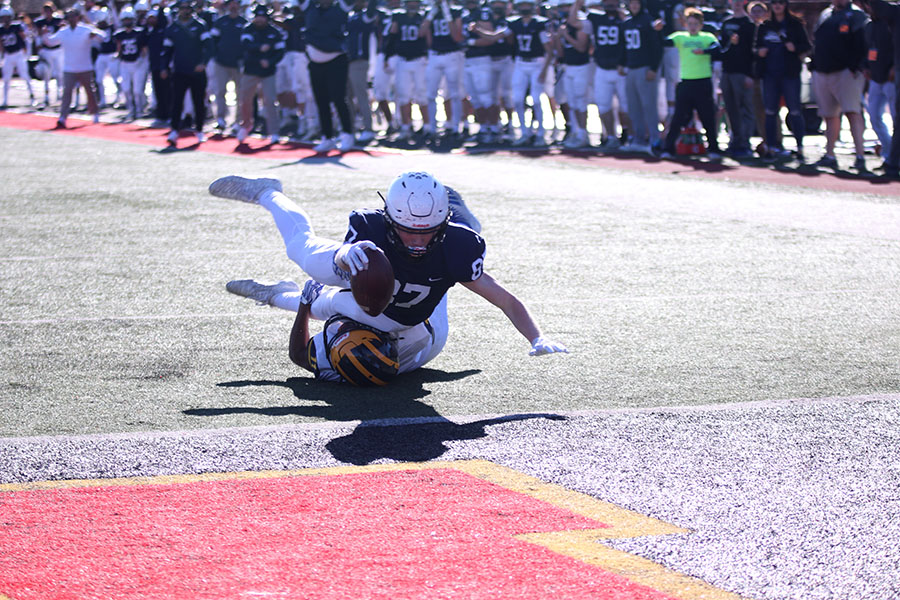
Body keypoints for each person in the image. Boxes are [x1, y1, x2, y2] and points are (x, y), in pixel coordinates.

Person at [207, 173, 568, 386]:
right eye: (409, 230)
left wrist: (537, 336)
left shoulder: (453, 246)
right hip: (369, 273)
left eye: (427, 232)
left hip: (393, 314)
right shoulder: (375, 232)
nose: (417, 240)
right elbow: (505, 299)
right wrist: (346, 255)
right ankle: (268, 192)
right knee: (302, 253)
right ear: (389, 218)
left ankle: (279, 295)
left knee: (328, 302)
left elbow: (503, 298)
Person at [810, 0, 869, 171]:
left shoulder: (857, 15)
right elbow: (817, 41)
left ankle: (860, 156)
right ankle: (830, 155)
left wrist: (857, 66)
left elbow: (863, 44)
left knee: (853, 112)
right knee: (829, 116)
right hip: (823, 71)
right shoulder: (826, 14)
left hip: (847, 72)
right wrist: (814, 65)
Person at [299, 0, 359, 152]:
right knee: (321, 101)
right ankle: (327, 136)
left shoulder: (341, 7)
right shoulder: (310, 6)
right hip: (314, 61)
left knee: (339, 98)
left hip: (336, 59)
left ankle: (347, 134)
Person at [661, 8, 722, 157]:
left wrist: (704, 51)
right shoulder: (680, 37)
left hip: (703, 82)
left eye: (695, 23)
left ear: (701, 24)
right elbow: (663, 41)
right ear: (685, 24)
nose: (692, 26)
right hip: (686, 83)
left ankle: (713, 148)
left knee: (707, 117)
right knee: (678, 117)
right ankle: (668, 149)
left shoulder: (706, 37)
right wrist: (657, 30)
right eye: (690, 23)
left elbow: (717, 48)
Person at [753, 0, 810, 161]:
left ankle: (799, 148)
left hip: (790, 74)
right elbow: (755, 49)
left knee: (795, 111)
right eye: (775, 3)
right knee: (770, 111)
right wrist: (760, 52)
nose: (777, 6)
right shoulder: (765, 26)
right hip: (770, 75)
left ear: (785, 5)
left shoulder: (795, 24)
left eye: (781, 3)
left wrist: (795, 48)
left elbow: (806, 46)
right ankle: (771, 147)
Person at [573, 0, 630, 150]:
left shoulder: (625, 19)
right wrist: (577, 5)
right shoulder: (595, 18)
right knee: (603, 105)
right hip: (602, 68)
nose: (610, 3)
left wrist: (624, 62)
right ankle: (611, 137)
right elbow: (573, 22)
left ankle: (627, 135)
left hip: (621, 69)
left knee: (626, 106)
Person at [160, 0, 215, 146]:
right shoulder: (172, 28)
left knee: (198, 102)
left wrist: (203, 63)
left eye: (188, 8)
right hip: (179, 70)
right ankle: (174, 130)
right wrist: (164, 67)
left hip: (196, 71)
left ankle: (199, 130)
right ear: (178, 10)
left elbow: (209, 47)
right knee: (177, 101)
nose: (185, 11)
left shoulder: (200, 25)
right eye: (183, 8)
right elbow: (167, 50)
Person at [859, 0, 900, 178]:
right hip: (883, 76)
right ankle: (892, 160)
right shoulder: (894, 13)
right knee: (884, 118)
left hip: (891, 75)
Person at [43, 7, 101, 127]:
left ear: (78, 17)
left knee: (90, 91)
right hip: (69, 68)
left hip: (85, 66)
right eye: (69, 16)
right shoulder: (63, 31)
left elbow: (102, 37)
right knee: (67, 93)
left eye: (73, 16)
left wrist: (95, 35)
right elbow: (51, 42)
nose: (71, 18)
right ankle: (63, 117)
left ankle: (94, 113)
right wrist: (44, 35)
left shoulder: (85, 29)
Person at [236, 4, 285, 144]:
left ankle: (274, 132)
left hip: (268, 72)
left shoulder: (274, 32)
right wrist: (259, 50)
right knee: (245, 100)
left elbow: (280, 51)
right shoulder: (248, 29)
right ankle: (245, 125)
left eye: (262, 17)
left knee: (270, 101)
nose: (259, 19)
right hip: (250, 70)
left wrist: (270, 62)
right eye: (257, 16)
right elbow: (245, 47)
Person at [619, 0, 664, 153]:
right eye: (632, 3)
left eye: (637, 3)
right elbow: (624, 47)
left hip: (645, 68)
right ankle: (638, 139)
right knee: (634, 107)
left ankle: (654, 139)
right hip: (631, 68)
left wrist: (653, 68)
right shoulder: (627, 23)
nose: (634, 6)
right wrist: (621, 63)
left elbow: (657, 46)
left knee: (649, 106)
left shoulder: (648, 21)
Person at [509, 0, 553, 146]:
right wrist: (479, 32)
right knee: (517, 99)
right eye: (522, 5)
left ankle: (541, 133)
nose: (525, 8)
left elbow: (549, 50)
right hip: (520, 63)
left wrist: (544, 71)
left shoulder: (539, 24)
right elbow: (496, 36)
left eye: (527, 5)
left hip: (537, 63)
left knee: (536, 100)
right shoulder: (514, 23)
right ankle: (524, 132)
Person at [718, 0, 756, 157]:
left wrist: (750, 75)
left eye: (740, 1)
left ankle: (745, 143)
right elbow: (721, 48)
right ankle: (734, 140)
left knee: (744, 109)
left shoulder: (750, 24)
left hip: (743, 73)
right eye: (735, 1)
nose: (737, 4)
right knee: (730, 109)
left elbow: (753, 53)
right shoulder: (726, 22)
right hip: (727, 71)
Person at [209, 0, 246, 132]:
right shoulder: (220, 22)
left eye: (236, 3)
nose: (233, 6)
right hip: (221, 63)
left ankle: (237, 121)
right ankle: (220, 119)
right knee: (220, 91)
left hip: (238, 64)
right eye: (231, 3)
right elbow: (213, 40)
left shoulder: (244, 23)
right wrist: (215, 57)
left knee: (240, 93)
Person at [864, 12, 895, 160]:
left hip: (892, 78)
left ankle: (894, 156)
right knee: (874, 116)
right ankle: (889, 153)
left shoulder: (893, 22)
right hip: (875, 78)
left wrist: (895, 67)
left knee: (896, 118)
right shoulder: (869, 25)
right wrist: (865, 66)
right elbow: (865, 48)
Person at [114, 8, 147, 121]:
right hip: (125, 63)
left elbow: (144, 49)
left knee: (137, 90)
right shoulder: (119, 34)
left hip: (138, 63)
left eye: (129, 19)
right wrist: (116, 57)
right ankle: (131, 109)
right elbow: (119, 49)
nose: (127, 22)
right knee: (126, 89)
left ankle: (139, 109)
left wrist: (142, 61)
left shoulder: (139, 32)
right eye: (125, 19)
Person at [0, 5, 36, 107]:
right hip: (8, 55)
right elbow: (1, 44)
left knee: (25, 75)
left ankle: (32, 97)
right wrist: (1, 56)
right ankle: (5, 100)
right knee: (6, 78)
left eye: (7, 17)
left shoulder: (16, 26)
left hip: (18, 53)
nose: (5, 19)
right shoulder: (1, 29)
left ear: (10, 17)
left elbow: (25, 39)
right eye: (3, 17)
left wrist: (27, 52)